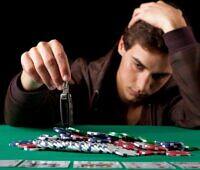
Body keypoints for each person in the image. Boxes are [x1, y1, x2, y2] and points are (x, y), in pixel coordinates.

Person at [4, 1, 200, 128]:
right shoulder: (83, 78)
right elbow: (20, 120)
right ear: (122, 45)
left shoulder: (178, 94)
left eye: (160, 76)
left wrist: (176, 30)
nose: (143, 86)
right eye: (138, 66)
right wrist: (29, 80)